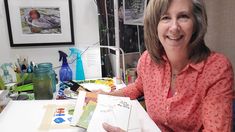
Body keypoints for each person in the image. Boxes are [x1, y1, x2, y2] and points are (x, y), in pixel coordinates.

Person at [96, 0, 234, 131]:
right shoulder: (147, 60)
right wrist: (108, 96)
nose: (174, 27)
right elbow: (139, 86)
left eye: (183, 16)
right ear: (154, 24)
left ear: (196, 24)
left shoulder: (217, 69)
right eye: (165, 17)